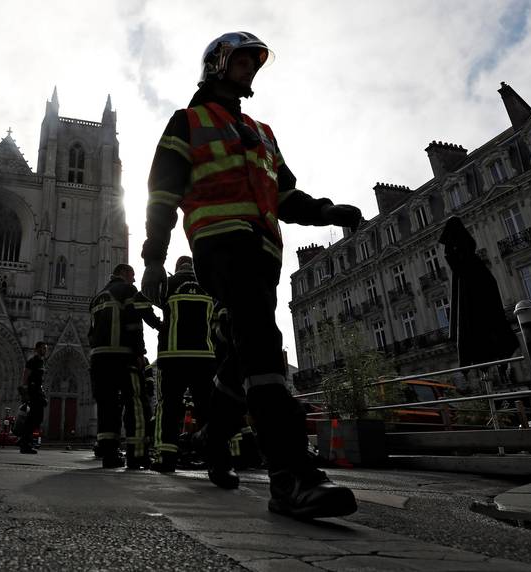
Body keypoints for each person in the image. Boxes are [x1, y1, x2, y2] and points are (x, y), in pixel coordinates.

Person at [141, 32, 362, 519]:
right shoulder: (187, 122)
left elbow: (285, 197)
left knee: (240, 359)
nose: (250, 69)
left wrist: (326, 211)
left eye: (254, 63)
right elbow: (163, 193)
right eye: (242, 60)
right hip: (220, 245)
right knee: (264, 349)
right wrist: (154, 258)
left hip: (264, 253)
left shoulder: (262, 133)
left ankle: (212, 440)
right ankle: (291, 476)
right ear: (217, 65)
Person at [150, 255, 231, 484]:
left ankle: (166, 458)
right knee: (208, 409)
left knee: (169, 407)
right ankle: (218, 462)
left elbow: (143, 299)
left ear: (177, 268)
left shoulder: (168, 284)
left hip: (172, 356)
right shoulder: (208, 285)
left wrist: (159, 325)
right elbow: (219, 318)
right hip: (203, 357)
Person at [89, 263, 162, 469]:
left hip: (98, 360)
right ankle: (137, 455)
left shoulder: (98, 297)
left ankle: (109, 455)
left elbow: (90, 333)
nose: (134, 279)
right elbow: (136, 321)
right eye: (133, 275)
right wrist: (140, 350)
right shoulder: (127, 290)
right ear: (124, 273)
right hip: (122, 357)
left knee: (107, 406)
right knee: (136, 404)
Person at [18, 341, 49, 454]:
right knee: (33, 417)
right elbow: (25, 376)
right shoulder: (32, 361)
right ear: (36, 349)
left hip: (38, 391)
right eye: (42, 348)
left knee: (37, 418)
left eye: (45, 348)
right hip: (33, 392)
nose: (44, 350)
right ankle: (25, 443)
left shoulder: (41, 362)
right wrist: (25, 392)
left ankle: (25, 440)